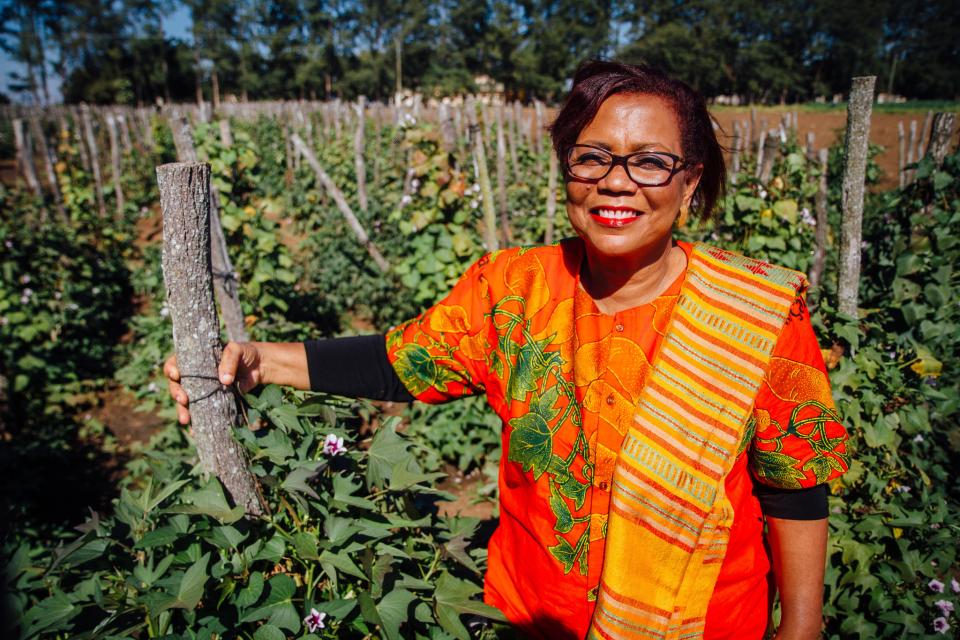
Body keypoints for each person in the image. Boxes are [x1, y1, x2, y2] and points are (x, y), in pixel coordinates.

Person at [165, 60, 849, 639]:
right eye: (592, 157)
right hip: (537, 620)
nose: (616, 182)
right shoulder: (514, 290)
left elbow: (795, 489)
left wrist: (802, 630)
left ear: (690, 180)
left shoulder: (752, 314)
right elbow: (399, 362)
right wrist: (258, 362)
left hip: (705, 623)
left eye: (650, 163)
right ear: (566, 168)